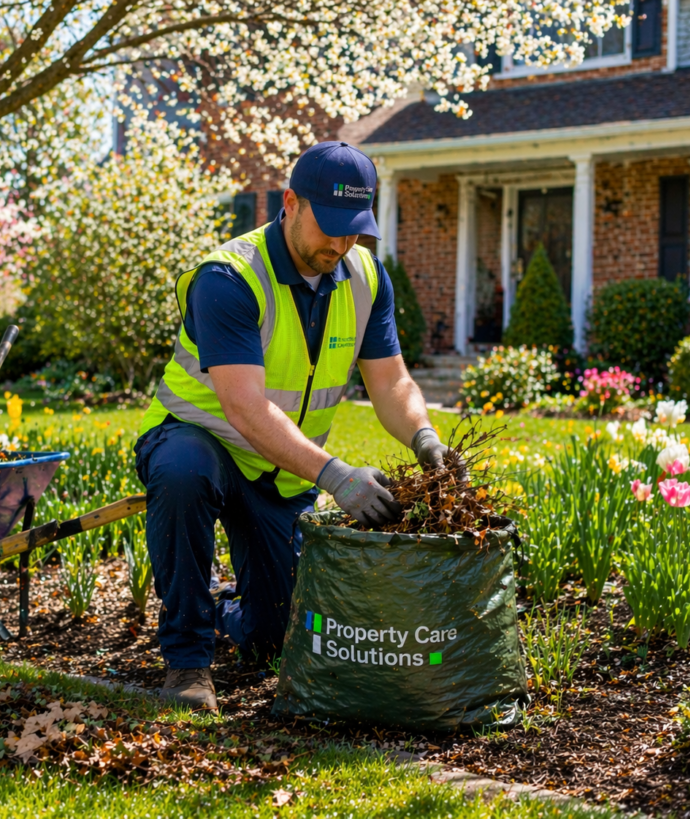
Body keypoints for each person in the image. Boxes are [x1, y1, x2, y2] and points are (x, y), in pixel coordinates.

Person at [134, 141, 463, 710]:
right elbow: (244, 408)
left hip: (281, 470)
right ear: (290, 203)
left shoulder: (366, 278)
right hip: (200, 441)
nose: (340, 244)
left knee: (274, 637)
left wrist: (424, 437)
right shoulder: (229, 277)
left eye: (354, 230)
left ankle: (227, 609)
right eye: (329, 227)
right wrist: (337, 477)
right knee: (184, 473)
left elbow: (390, 382)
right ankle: (186, 662)